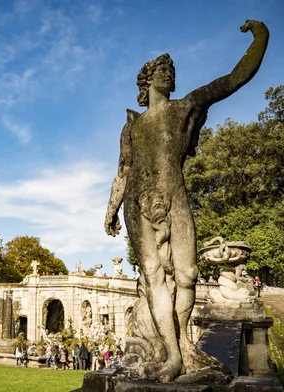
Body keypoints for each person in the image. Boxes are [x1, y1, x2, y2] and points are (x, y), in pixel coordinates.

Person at [104, 20, 269, 383]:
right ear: (146, 81)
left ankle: (179, 345)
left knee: (188, 274)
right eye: (162, 70)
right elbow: (123, 170)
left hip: (174, 196)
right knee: (153, 276)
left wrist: (262, 37)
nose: (169, 75)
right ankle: (173, 357)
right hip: (138, 203)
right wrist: (111, 208)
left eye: (171, 71)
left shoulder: (186, 107)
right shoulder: (132, 124)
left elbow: (234, 78)